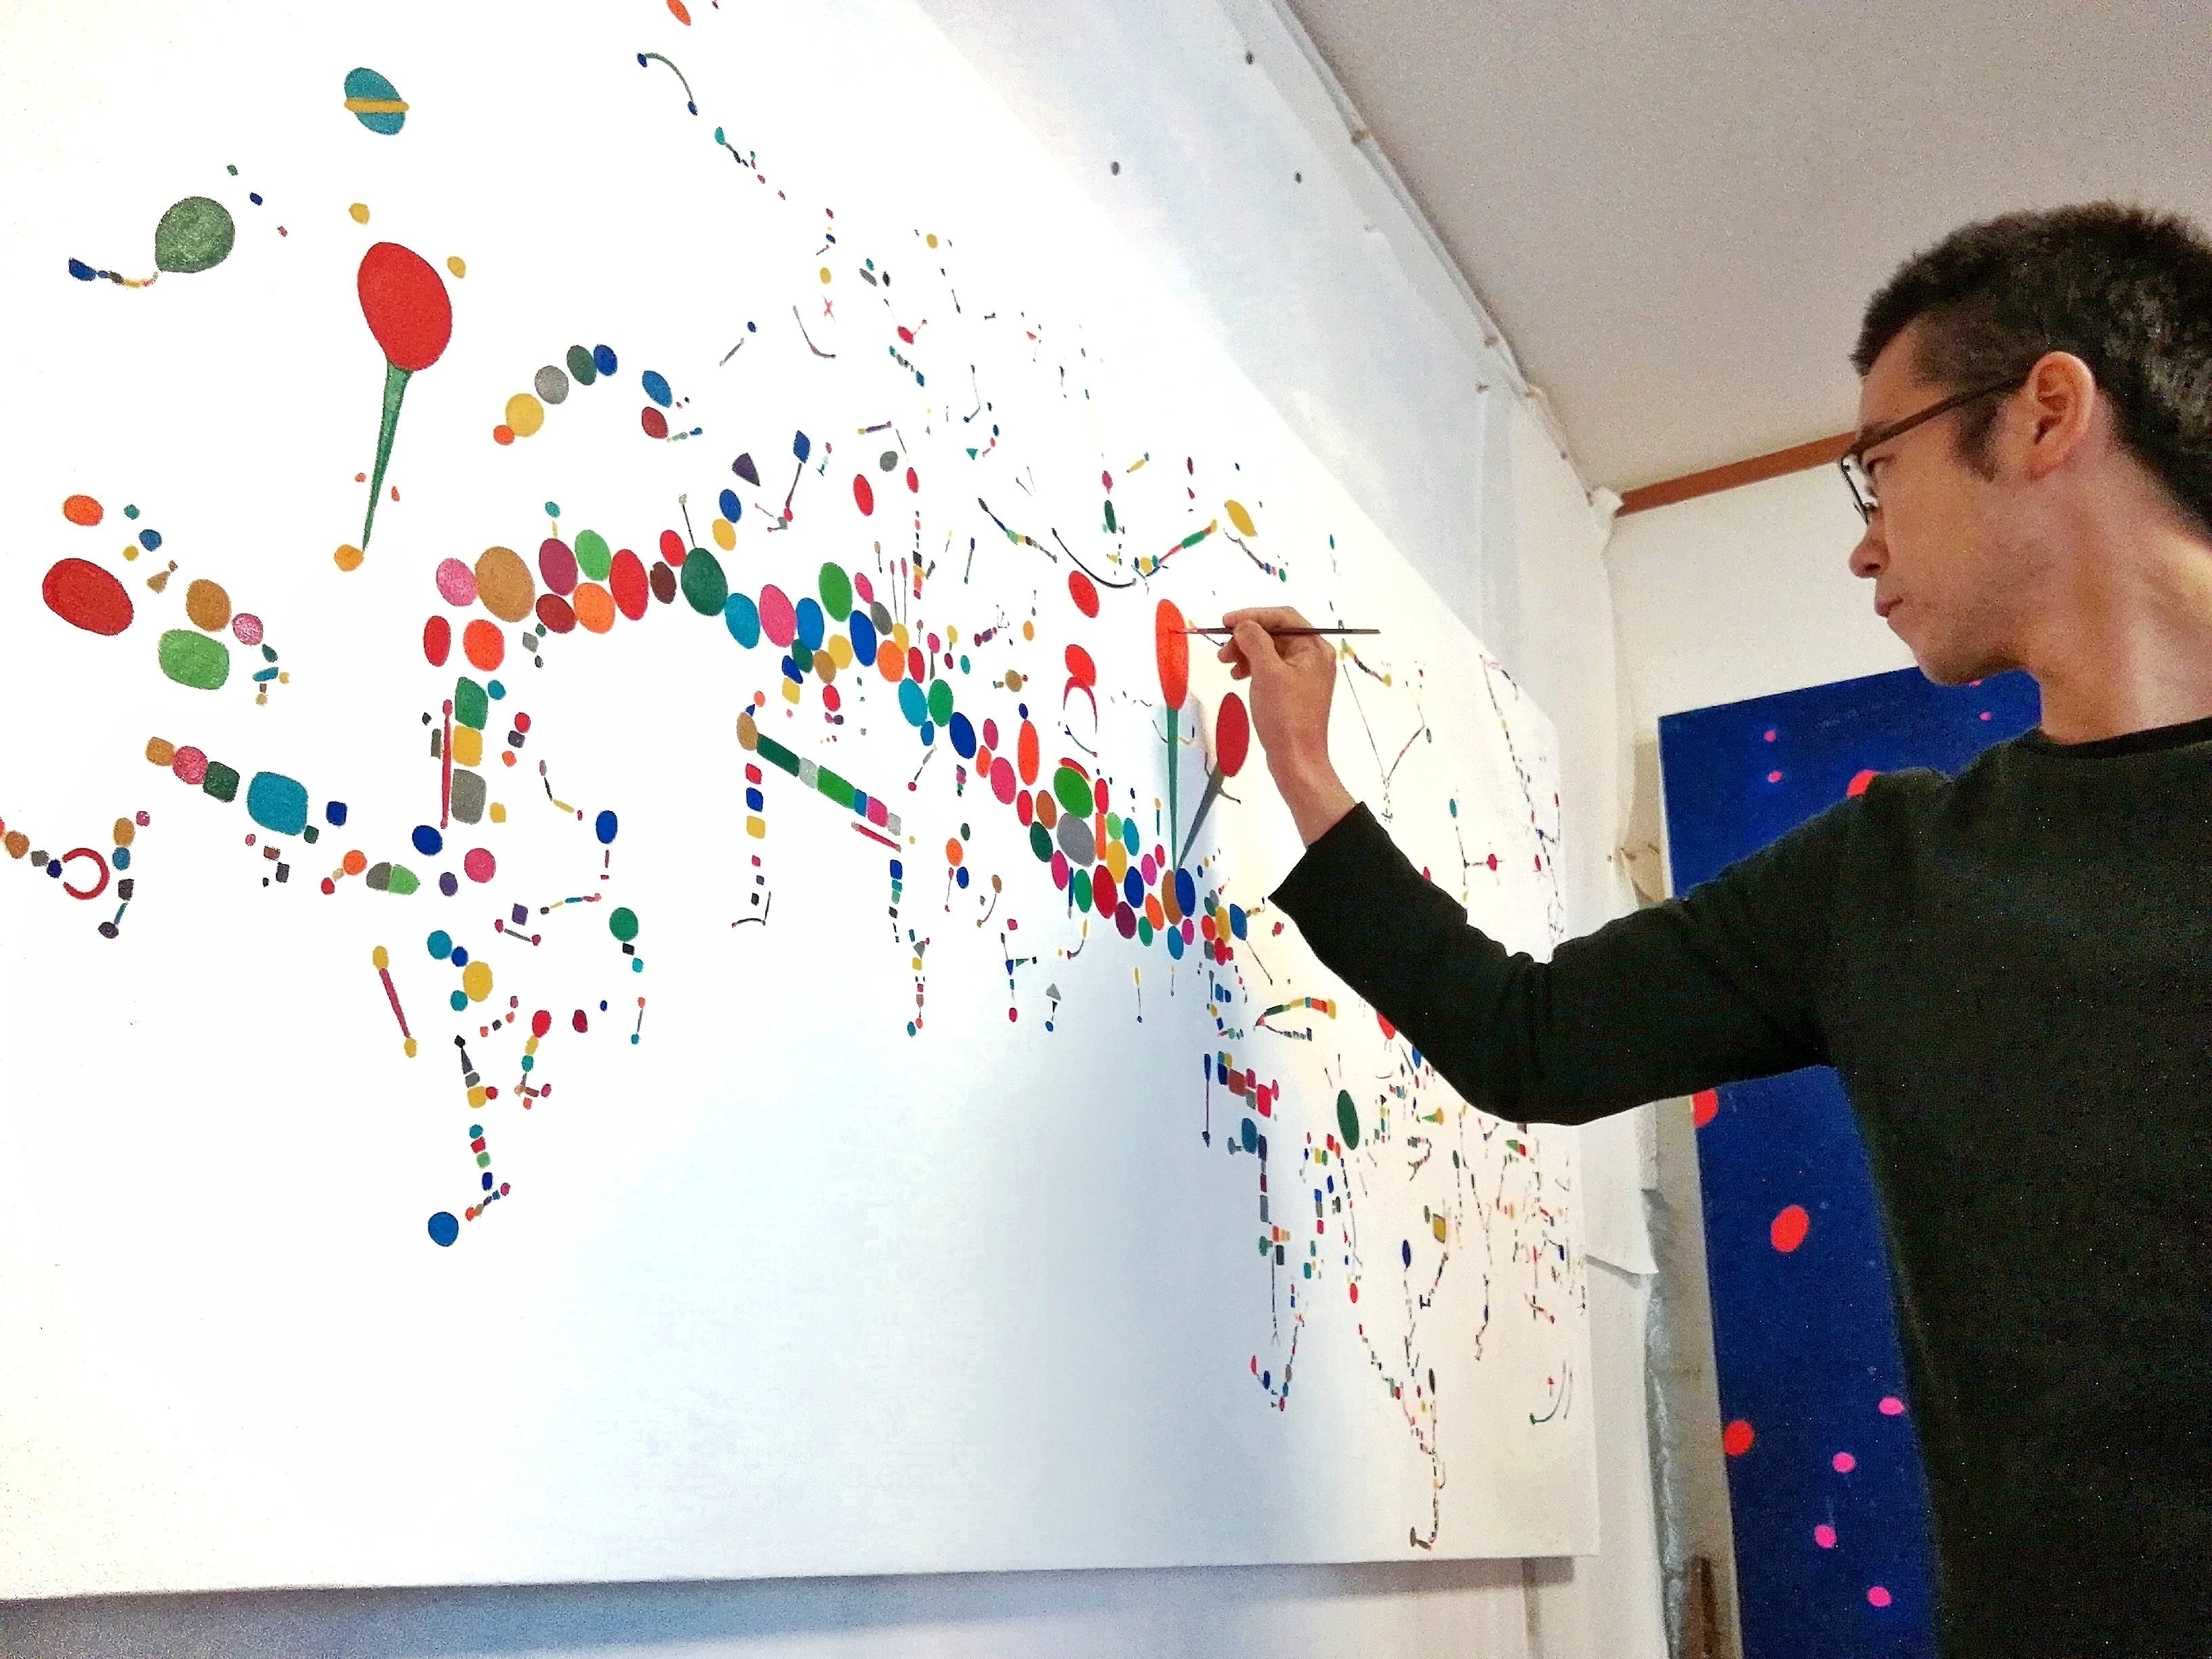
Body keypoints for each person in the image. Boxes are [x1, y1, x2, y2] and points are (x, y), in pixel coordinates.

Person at [1220, 203, 2212, 1657]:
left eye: (1879, 469)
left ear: (2046, 413)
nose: (1864, 548)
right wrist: (1307, 779)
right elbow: (1529, 1037)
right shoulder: (1887, 878)